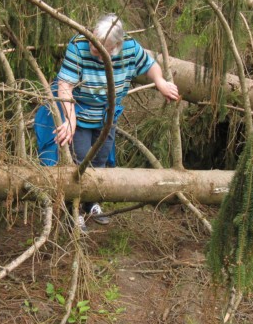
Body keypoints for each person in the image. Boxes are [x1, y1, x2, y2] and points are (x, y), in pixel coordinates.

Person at [52, 13, 180, 231]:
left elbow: (150, 65)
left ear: (117, 46)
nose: (98, 52)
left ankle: (91, 203)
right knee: (80, 162)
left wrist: (159, 81)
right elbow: (65, 85)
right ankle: (74, 211)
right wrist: (70, 119)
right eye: (95, 47)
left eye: (106, 50)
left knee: (100, 162)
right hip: (81, 115)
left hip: (107, 117)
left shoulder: (129, 46)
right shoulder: (79, 45)